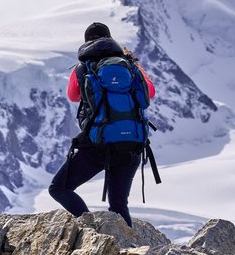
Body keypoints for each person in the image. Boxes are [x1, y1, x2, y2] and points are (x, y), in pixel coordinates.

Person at [48, 22, 156, 227]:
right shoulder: (130, 65)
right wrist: (132, 63)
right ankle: (127, 251)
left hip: (98, 145)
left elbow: (72, 96)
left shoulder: (84, 67)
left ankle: (90, 228)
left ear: (87, 42)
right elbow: (149, 92)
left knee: (59, 188)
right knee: (119, 205)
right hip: (132, 146)